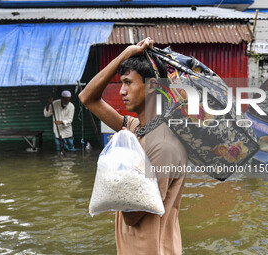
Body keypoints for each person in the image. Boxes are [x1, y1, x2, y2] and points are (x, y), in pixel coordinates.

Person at [79, 37, 187, 255]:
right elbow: (87, 98)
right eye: (122, 83)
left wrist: (123, 157)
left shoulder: (163, 145)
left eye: (128, 82)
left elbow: (132, 215)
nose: (121, 91)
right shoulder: (137, 128)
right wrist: (124, 55)